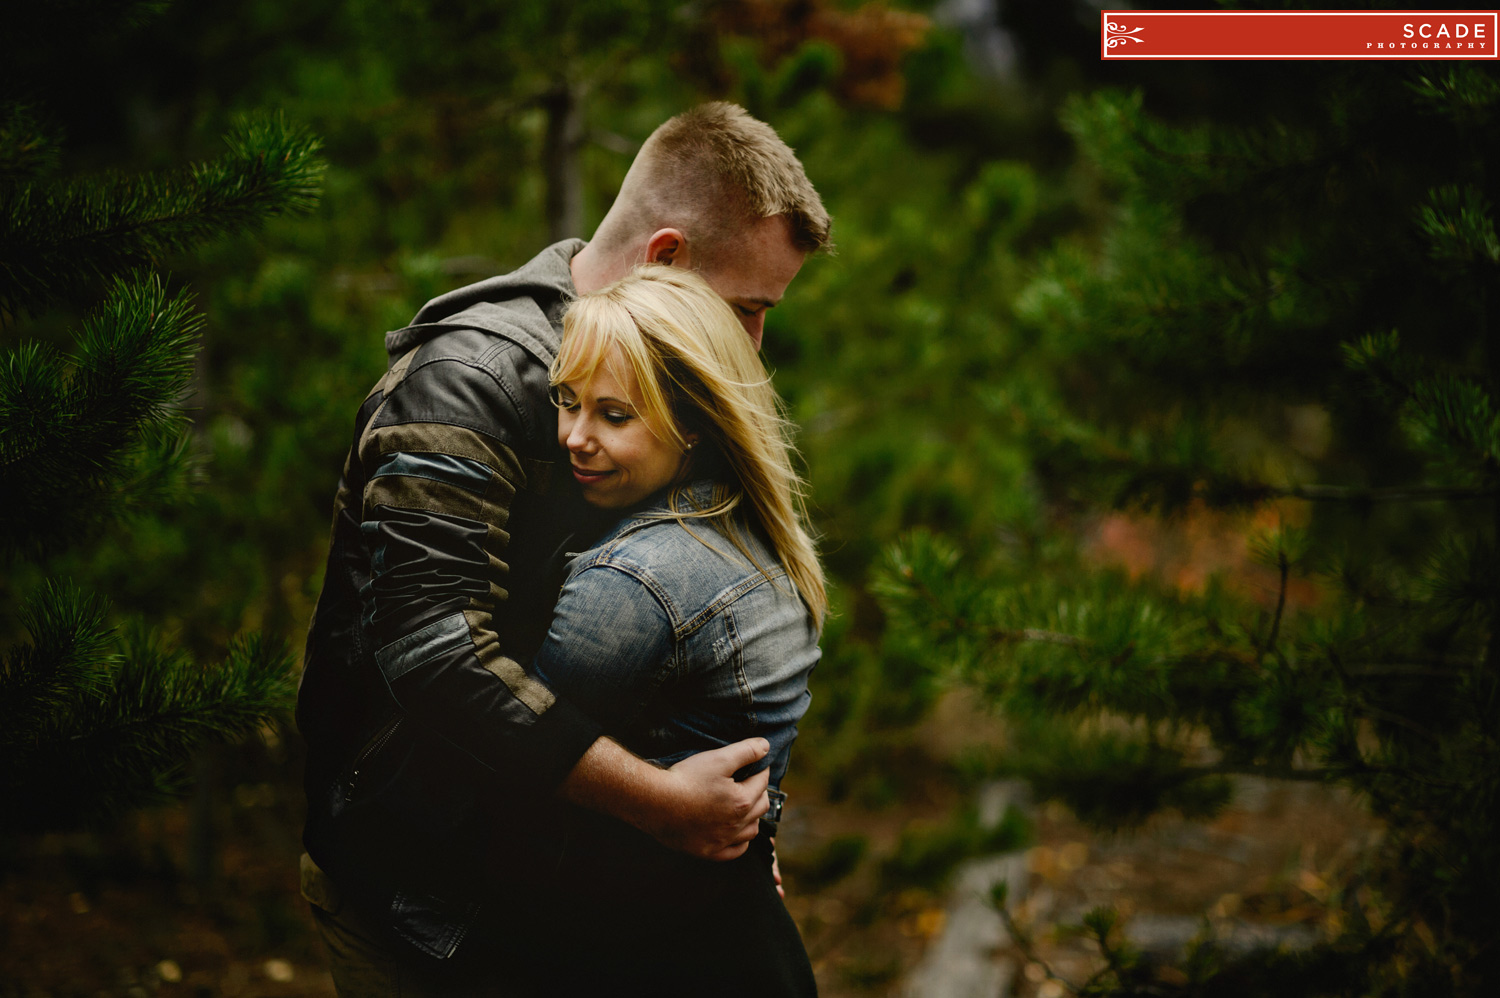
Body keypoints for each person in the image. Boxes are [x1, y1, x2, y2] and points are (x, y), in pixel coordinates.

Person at [296, 102, 831, 992]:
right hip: (414, 896)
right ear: (665, 258)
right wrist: (663, 806)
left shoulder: (658, 387)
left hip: (546, 896)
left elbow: (698, 617)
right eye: (747, 306)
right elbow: (431, 651)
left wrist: (733, 828)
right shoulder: (469, 378)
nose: (754, 342)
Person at [516, 264, 825, 995]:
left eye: (614, 415)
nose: (574, 438)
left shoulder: (636, 581)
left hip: (659, 953)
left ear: (693, 424)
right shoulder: (745, 532)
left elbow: (504, 753)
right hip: (740, 942)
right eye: (568, 402)